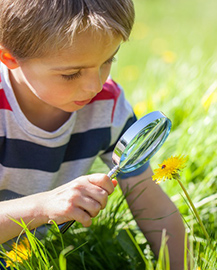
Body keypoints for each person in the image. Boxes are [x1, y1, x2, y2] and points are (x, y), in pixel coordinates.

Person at [0, 0, 185, 269]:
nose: (95, 85)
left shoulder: (106, 106)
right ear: (10, 58)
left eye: (108, 60)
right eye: (71, 74)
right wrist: (42, 207)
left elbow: (155, 209)